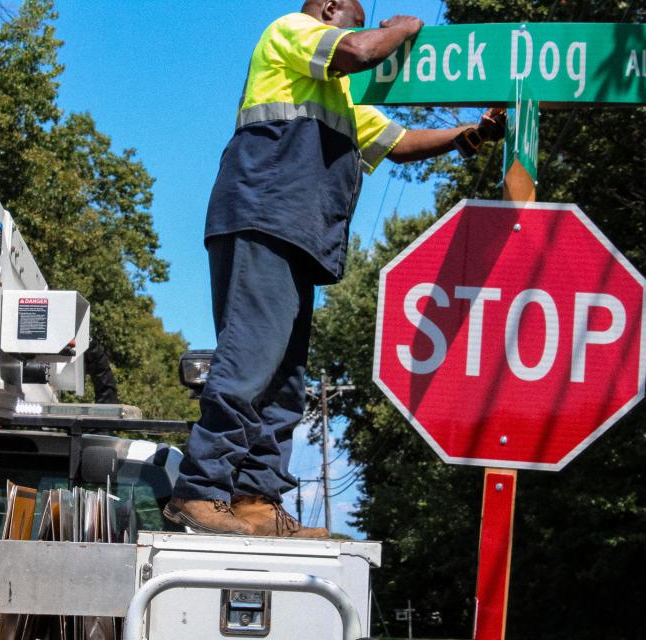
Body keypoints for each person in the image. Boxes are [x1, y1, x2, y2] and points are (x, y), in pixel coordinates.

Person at [164, 0, 505, 537]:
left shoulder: (337, 97)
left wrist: (468, 134)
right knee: (250, 361)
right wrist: (404, 28)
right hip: (262, 216)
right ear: (329, 8)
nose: (363, 26)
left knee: (285, 381)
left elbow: (399, 144)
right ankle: (200, 489)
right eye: (356, 14)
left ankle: (256, 498)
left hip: (299, 236)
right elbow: (360, 50)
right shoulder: (292, 32)